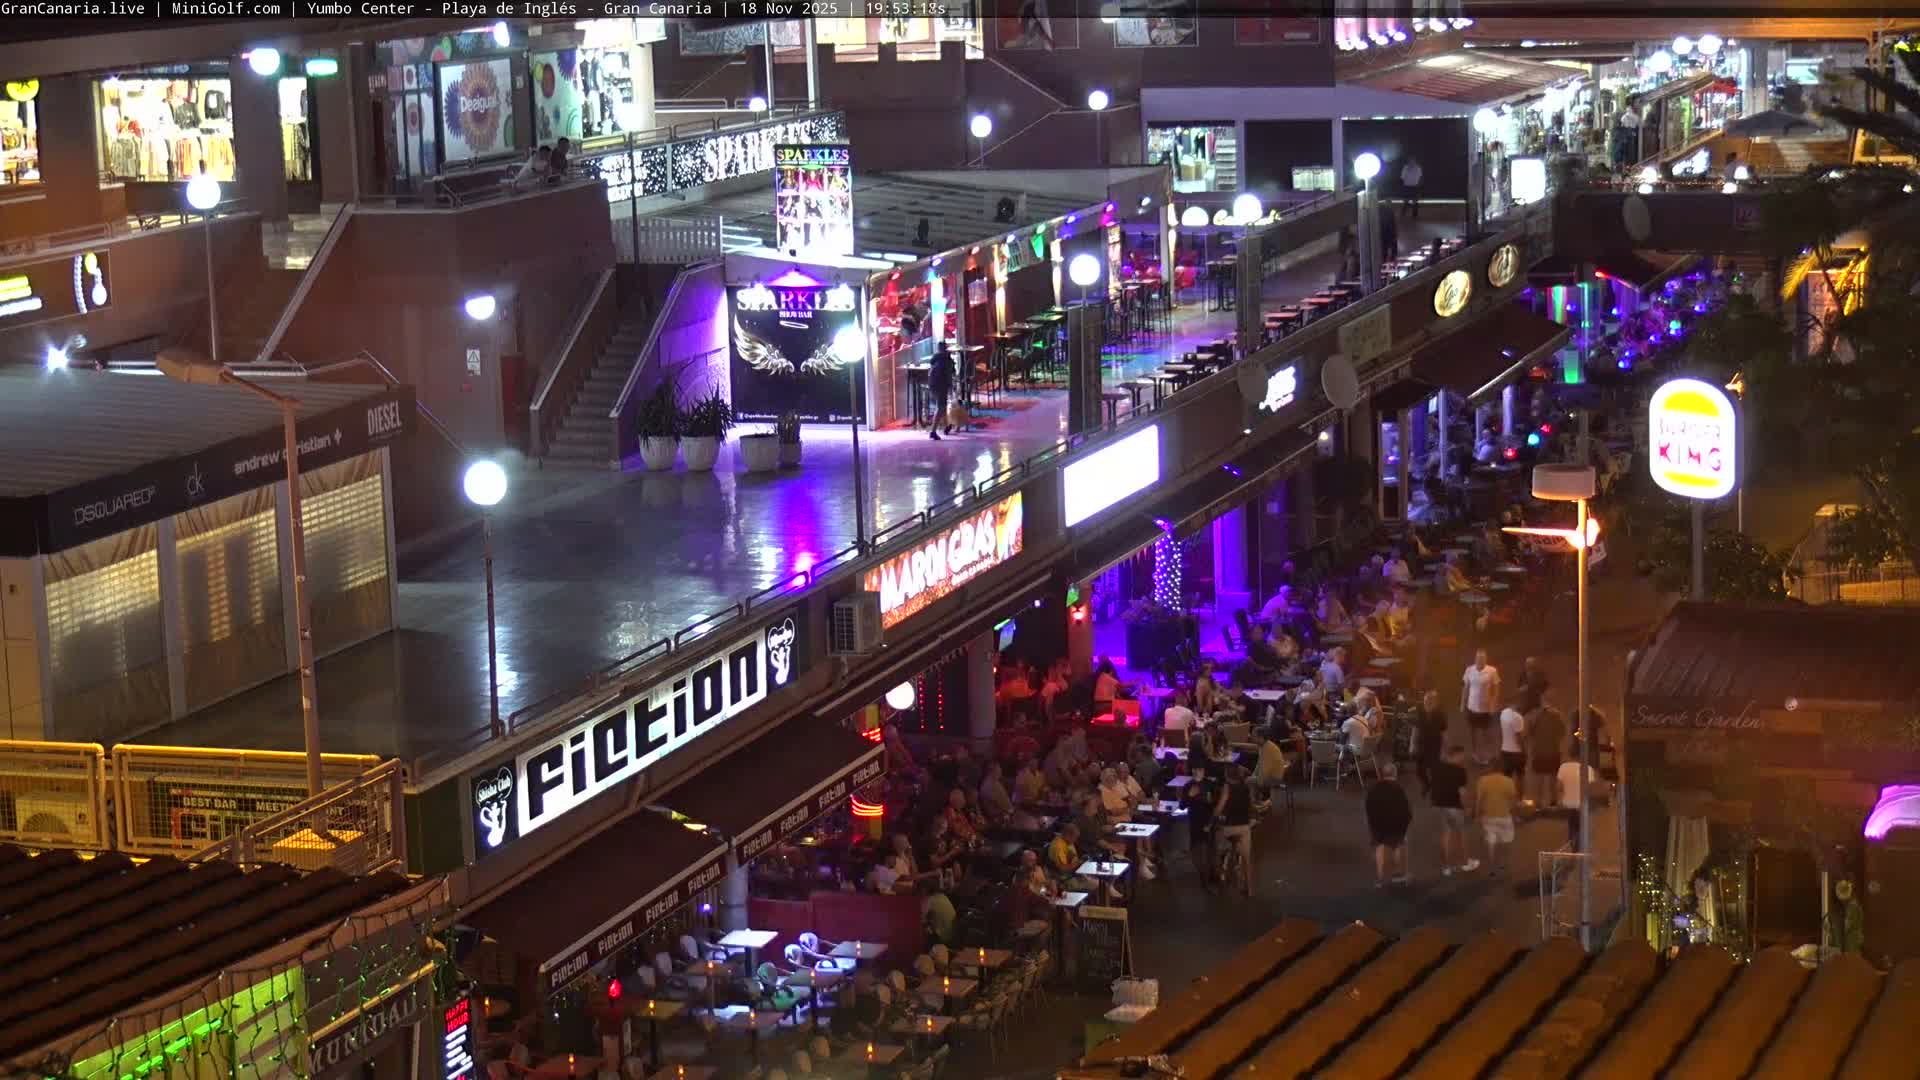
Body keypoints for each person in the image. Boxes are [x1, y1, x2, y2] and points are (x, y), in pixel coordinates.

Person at [1431, 746, 1479, 875]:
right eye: (1461, 756)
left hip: (1441, 805)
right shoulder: (1460, 771)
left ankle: (1446, 867)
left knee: (1446, 834)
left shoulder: (1438, 768)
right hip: (1455, 806)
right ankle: (1466, 862)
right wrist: (1468, 807)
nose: (1463, 759)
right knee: (1461, 834)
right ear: (1455, 755)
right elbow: (1462, 792)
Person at [1365, 763, 1413, 886]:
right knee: (1400, 844)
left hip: (1377, 824)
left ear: (1382, 775)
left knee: (1380, 847)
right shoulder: (1399, 789)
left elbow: (1368, 807)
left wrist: (1372, 825)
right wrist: (1405, 825)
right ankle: (1399, 874)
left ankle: (1380, 878)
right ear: (1394, 774)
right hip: (1396, 825)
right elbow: (1406, 811)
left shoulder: (1373, 789)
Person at [1213, 764, 1256, 896]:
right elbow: (1251, 805)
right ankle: (1249, 889)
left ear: (1227, 775)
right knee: (1247, 858)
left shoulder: (1227, 787)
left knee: (1215, 845)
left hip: (1229, 828)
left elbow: (1219, 809)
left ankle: (1221, 875)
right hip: (1245, 828)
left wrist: (1214, 815)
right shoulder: (1246, 787)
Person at [1475, 760, 1520, 877]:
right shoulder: (1508, 781)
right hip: (1504, 816)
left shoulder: (1483, 781)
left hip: (1488, 816)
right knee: (1506, 841)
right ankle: (1503, 863)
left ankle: (1492, 867)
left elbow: (1479, 800)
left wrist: (1477, 815)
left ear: (1491, 768)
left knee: (1491, 842)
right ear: (1502, 769)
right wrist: (1515, 816)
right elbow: (1513, 801)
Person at [1461, 649, 1502, 765]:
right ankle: (1475, 753)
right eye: (1478, 658)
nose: (1480, 660)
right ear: (1475, 659)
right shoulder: (1469, 670)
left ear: (1486, 659)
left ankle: (1487, 754)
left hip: (1485, 709)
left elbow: (1496, 690)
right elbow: (1465, 688)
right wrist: (1462, 704)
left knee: (1486, 733)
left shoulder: (1492, 671)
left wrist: (1494, 705)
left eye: (1482, 658)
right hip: (1471, 707)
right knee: (1472, 732)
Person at [1557, 743, 1601, 851]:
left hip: (1568, 803)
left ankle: (1572, 844)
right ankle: (1580, 847)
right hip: (1582, 804)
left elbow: (1558, 787)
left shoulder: (1563, 767)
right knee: (1583, 827)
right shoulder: (1588, 769)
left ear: (1570, 754)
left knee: (1572, 825)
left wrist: (1561, 798)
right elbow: (1592, 790)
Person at [1528, 702, 1566, 806]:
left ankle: (1538, 802)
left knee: (1539, 779)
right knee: (1553, 778)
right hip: (1553, 752)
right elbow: (1562, 732)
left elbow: (1529, 733)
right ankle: (1553, 802)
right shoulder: (1557, 716)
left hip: (1538, 752)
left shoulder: (1535, 717)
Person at [1412, 689, 1449, 794]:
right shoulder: (1420, 712)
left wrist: (1445, 750)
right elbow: (1415, 729)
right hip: (1421, 745)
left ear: (1435, 703)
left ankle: (1434, 787)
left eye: (1430, 702)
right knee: (1419, 771)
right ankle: (1426, 784)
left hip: (1435, 746)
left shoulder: (1440, 715)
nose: (1427, 704)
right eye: (1426, 701)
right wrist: (1412, 744)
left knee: (1434, 770)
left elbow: (1444, 733)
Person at [928, 341, 955, 439]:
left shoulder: (934, 359)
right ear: (946, 349)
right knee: (940, 407)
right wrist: (951, 387)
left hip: (933, 384)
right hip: (942, 385)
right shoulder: (947, 360)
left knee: (942, 406)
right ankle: (933, 431)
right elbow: (949, 374)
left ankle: (946, 426)